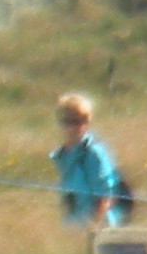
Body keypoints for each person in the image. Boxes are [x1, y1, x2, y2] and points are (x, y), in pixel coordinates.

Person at [51, 94, 133, 229]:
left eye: (79, 121)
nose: (73, 127)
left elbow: (106, 197)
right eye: (67, 121)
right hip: (74, 225)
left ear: (87, 122)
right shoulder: (62, 155)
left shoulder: (94, 153)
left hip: (100, 228)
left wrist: (93, 226)